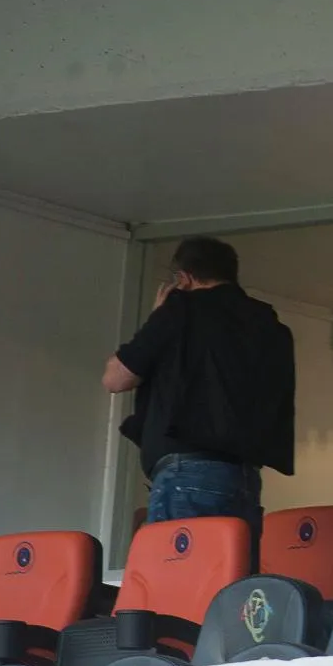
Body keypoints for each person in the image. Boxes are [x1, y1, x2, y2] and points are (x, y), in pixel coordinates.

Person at [102, 236, 295, 572]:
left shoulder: (181, 311)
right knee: (227, 590)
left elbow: (116, 378)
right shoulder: (269, 325)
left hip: (185, 473)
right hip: (244, 477)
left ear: (184, 278)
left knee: (177, 585)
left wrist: (159, 316)